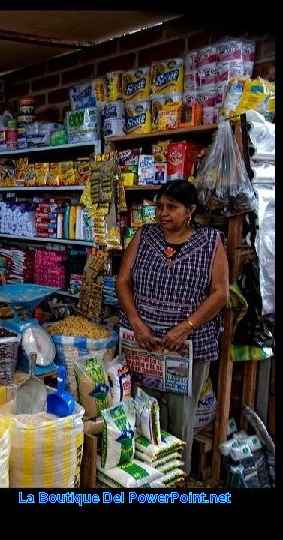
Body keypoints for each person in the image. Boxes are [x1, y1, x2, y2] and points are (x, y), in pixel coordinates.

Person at [116, 180, 229, 474]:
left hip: (186, 349)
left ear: (190, 210)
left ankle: (176, 479)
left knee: (180, 420)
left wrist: (186, 327)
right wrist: (138, 324)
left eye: (171, 207)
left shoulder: (210, 241)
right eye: (159, 207)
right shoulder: (144, 235)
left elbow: (220, 293)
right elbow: (123, 282)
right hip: (143, 344)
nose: (163, 213)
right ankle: (144, 478)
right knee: (143, 414)